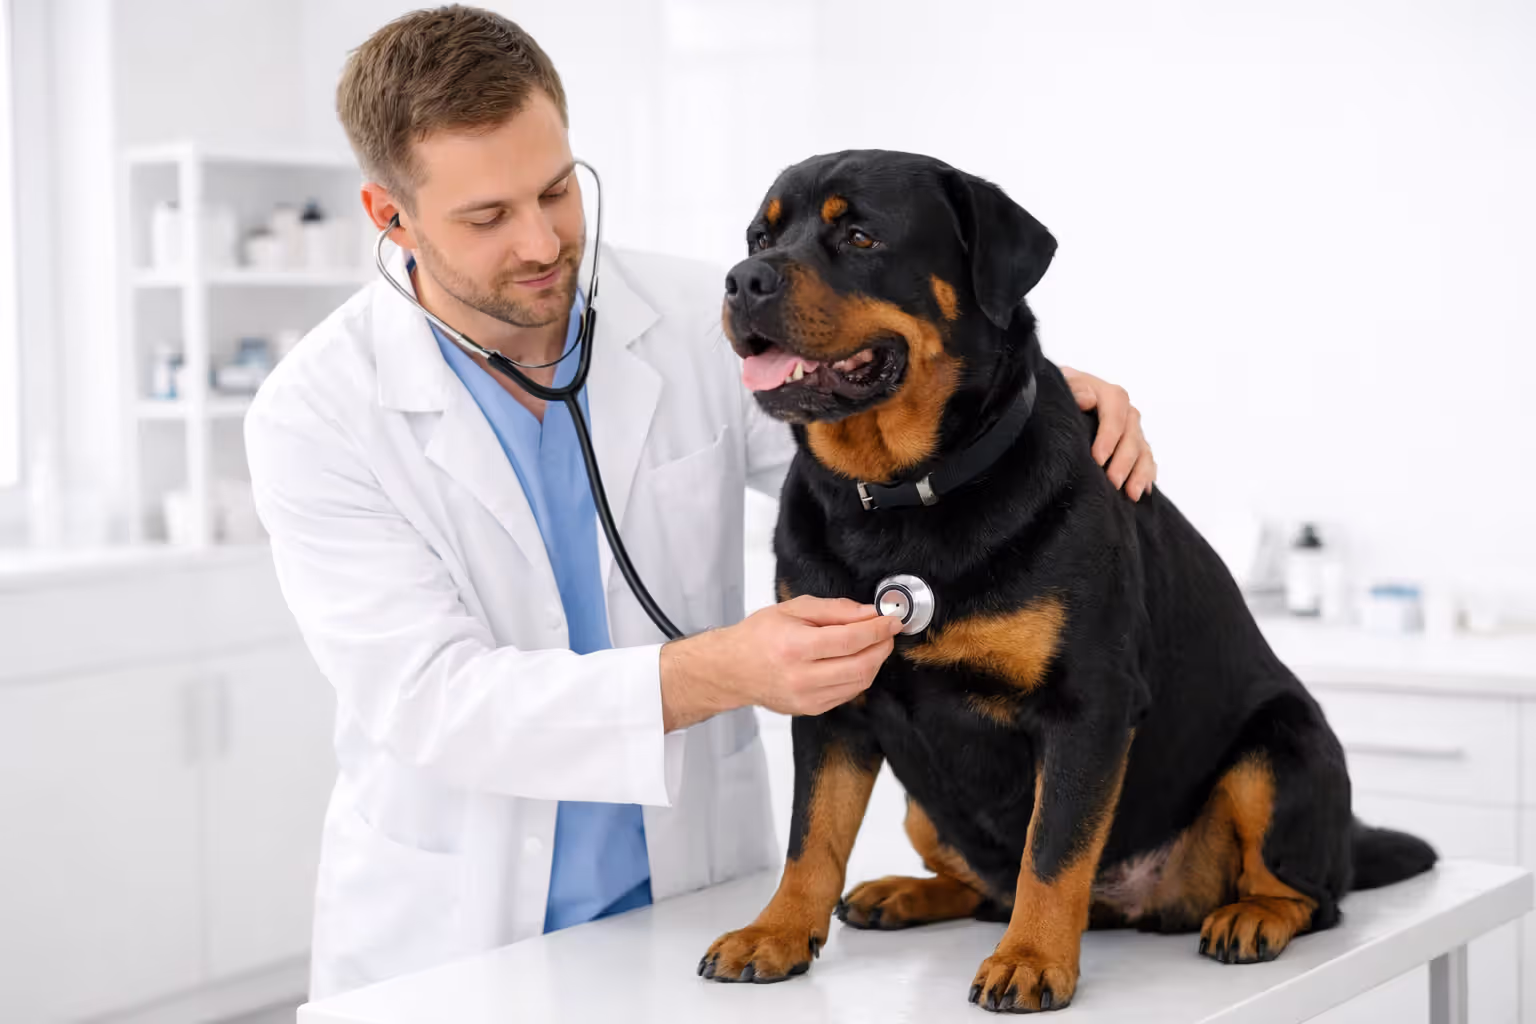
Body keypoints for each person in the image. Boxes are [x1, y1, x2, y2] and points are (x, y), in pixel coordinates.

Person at [244, 4, 1158, 1001]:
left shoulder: (694, 319)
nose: (546, 240)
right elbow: (434, 703)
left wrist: (1046, 399)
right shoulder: (316, 414)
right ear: (391, 218)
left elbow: (886, 423)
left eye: (558, 188)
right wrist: (723, 669)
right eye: (488, 216)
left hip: (689, 894)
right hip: (458, 932)